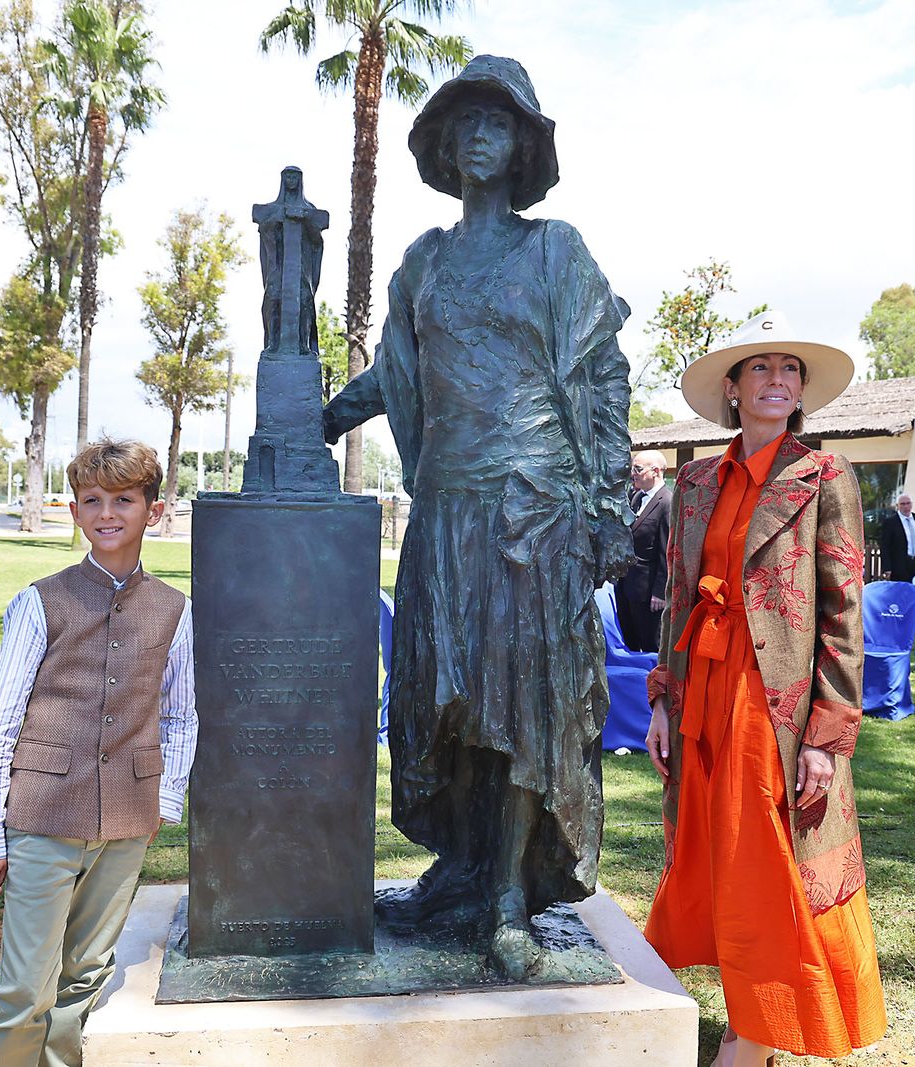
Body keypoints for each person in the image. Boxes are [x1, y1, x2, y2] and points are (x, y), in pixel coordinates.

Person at [323, 56, 632, 979]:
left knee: (522, 709)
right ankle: (459, 867)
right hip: (446, 509)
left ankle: (507, 898)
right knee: (442, 703)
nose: (478, 136)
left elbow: (604, 376)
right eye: (463, 124)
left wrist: (609, 507)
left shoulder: (556, 251)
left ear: (525, 143)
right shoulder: (422, 262)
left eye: (498, 123)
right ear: (446, 148)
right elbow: (400, 376)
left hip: (536, 512)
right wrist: (323, 414)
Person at [643, 311, 885, 1066]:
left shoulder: (824, 475)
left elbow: (845, 611)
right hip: (702, 692)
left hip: (774, 703)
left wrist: (827, 733)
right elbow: (678, 597)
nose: (779, 380)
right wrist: (661, 699)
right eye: (763, 368)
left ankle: (757, 1034)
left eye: (791, 370)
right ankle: (751, 1014)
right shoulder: (693, 481)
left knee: (765, 859)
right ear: (734, 390)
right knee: (713, 854)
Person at [0, 438, 197, 1063]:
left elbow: (180, 713)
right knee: (24, 983)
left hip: (127, 819)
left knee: (86, 973)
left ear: (155, 510)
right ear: (74, 512)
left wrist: (163, 798)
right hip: (43, 815)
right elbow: (0, 720)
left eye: (124, 499)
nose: (107, 513)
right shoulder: (40, 602)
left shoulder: (177, 610)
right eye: (92, 501)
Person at [616, 450, 672, 652]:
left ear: (656, 471)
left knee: (650, 646)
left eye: (638, 469)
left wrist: (660, 592)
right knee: (630, 643)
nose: (633, 473)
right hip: (627, 586)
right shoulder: (636, 496)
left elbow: (667, 552)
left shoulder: (667, 502)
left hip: (649, 593)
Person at [878, 491, 915, 581]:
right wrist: (887, 568)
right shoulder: (890, 522)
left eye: (908, 503)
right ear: (897, 506)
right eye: (902, 504)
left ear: (911, 504)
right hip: (899, 566)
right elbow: (885, 546)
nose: (906, 506)